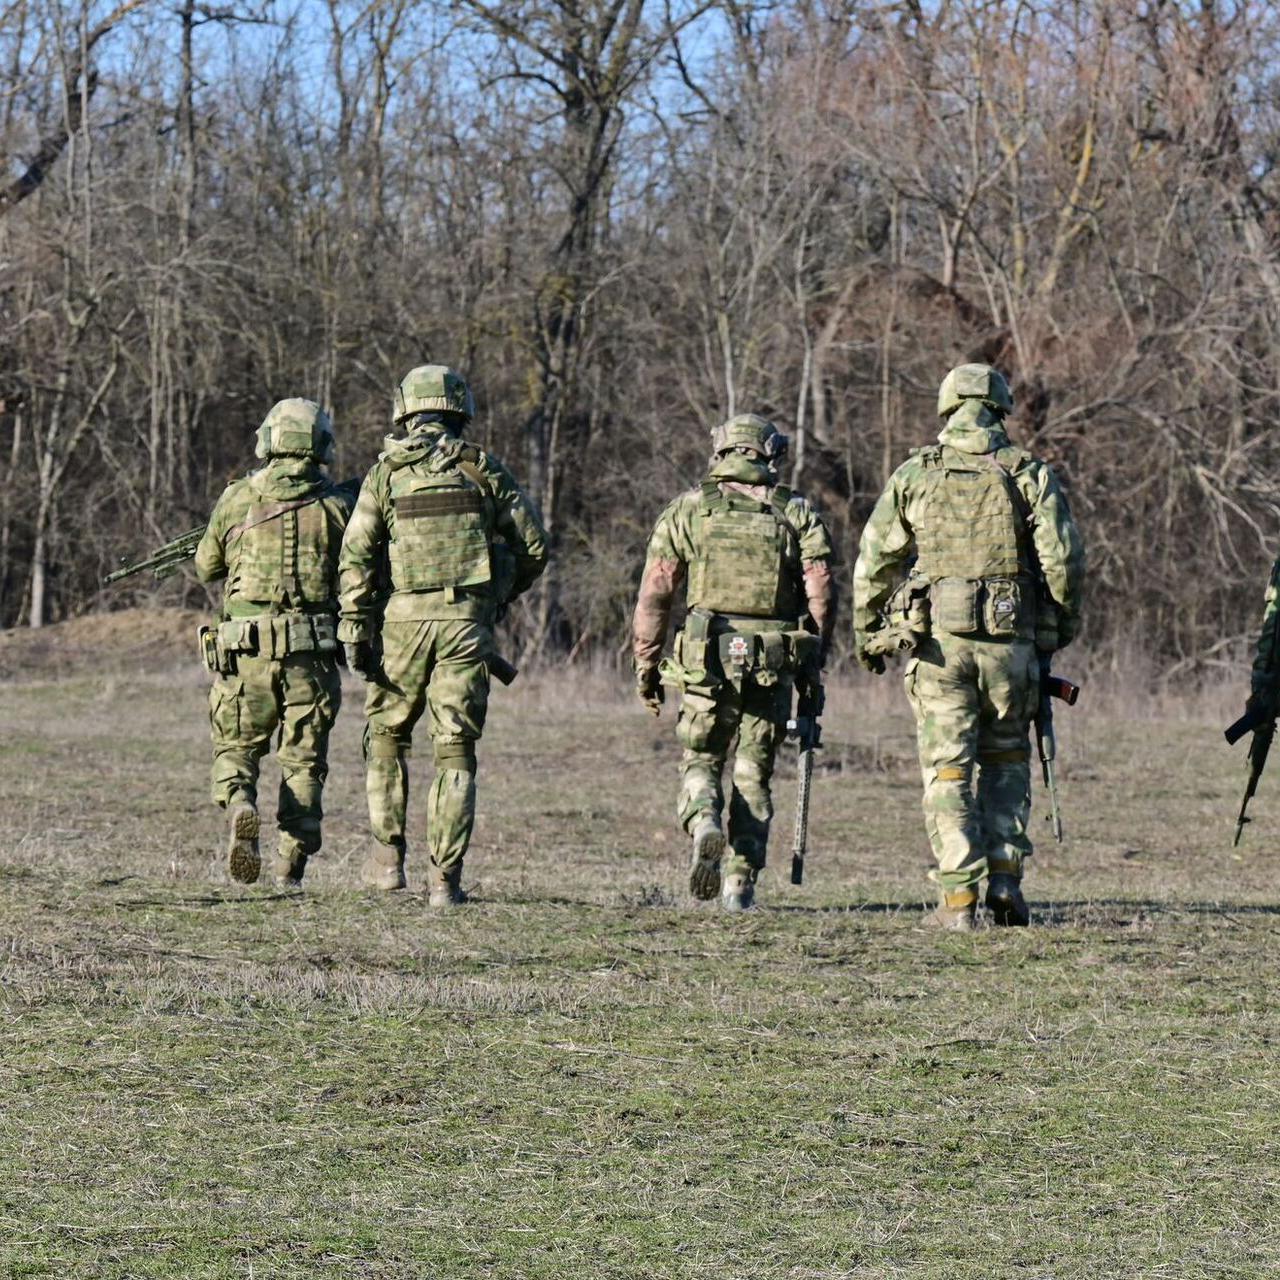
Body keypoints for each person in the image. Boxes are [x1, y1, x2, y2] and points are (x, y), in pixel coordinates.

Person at [852, 363, 1084, 930]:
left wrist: (866, 632)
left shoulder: (916, 474)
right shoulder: (1027, 472)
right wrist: (1057, 627)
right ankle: (1005, 881)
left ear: (948, 406)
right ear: (1001, 409)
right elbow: (1064, 560)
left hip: (939, 649)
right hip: (1012, 651)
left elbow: (874, 560)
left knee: (949, 771)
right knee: (1007, 760)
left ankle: (958, 901)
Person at [337, 365, 548, 907]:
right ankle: (444, 883)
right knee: (455, 749)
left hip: (402, 623)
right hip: (465, 624)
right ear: (460, 410)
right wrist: (495, 596)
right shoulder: (482, 470)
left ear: (405, 411)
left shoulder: (386, 474)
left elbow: (357, 554)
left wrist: (356, 625)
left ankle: (387, 864)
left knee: (385, 737)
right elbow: (534, 548)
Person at [632, 413, 836, 911]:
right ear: (769, 455)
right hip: (771, 661)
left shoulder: (688, 510)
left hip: (706, 659)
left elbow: (656, 593)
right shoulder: (795, 513)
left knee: (702, 758)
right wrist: (812, 660)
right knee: (753, 771)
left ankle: (703, 821)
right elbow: (821, 592)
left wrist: (647, 663)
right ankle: (739, 883)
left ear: (721, 452)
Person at [195, 398, 356, 886]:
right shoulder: (338, 505)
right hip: (311, 656)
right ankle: (291, 863)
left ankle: (241, 802)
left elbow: (207, 565)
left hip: (247, 653)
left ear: (268, 441)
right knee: (304, 760)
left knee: (237, 746)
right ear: (321, 444)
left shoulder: (238, 498)